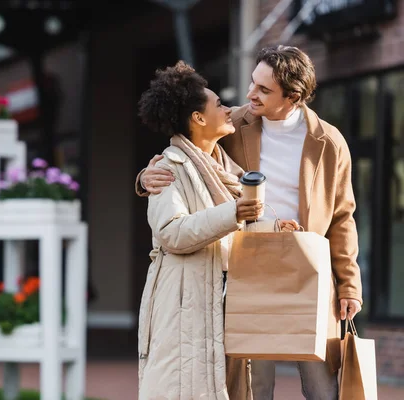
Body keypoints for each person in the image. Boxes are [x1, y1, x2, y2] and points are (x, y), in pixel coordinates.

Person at [136, 45, 363, 400]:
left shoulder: (328, 143)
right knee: (254, 385)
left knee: (322, 385)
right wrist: (144, 178)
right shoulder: (233, 125)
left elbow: (341, 217)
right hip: (247, 270)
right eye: (252, 82)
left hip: (309, 270)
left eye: (263, 89)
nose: (249, 95)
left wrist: (349, 285)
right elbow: (189, 159)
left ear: (293, 96)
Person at [136, 60, 300, 400]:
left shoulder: (226, 170)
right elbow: (173, 232)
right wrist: (234, 213)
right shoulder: (169, 167)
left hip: (222, 299)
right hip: (184, 302)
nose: (228, 109)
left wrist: (272, 227)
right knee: (185, 388)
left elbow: (232, 233)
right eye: (219, 105)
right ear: (198, 118)